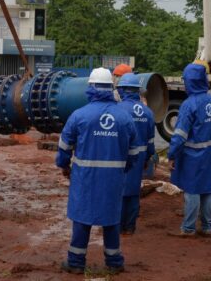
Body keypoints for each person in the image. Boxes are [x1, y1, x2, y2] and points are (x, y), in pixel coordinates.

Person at [56, 67, 137, 275]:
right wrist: (124, 168)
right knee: (111, 221)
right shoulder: (124, 118)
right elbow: (134, 151)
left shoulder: (79, 116)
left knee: (82, 220)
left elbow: (64, 146)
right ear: (111, 88)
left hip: (85, 180)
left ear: (90, 88)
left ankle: (75, 262)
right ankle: (114, 262)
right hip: (112, 181)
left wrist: (64, 166)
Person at [168, 63, 211, 237]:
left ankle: (189, 228)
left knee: (192, 190)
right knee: (207, 189)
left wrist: (172, 154)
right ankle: (207, 227)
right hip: (209, 154)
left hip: (192, 156)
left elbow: (180, 135)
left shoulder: (188, 105)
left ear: (189, 82)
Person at [116, 73, 155, 235]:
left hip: (120, 158)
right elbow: (151, 141)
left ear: (123, 90)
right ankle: (130, 227)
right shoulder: (147, 112)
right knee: (133, 192)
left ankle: (117, 227)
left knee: (118, 192)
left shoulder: (118, 109)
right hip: (139, 158)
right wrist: (148, 157)